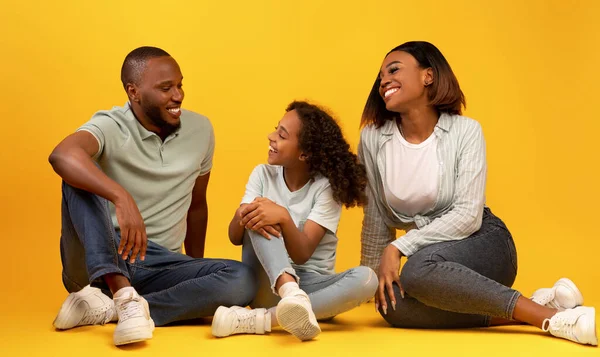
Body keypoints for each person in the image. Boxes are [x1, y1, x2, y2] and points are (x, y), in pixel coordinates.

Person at [358, 41, 597, 346]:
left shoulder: (465, 131)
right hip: (436, 265)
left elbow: (468, 215)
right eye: (380, 77)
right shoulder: (373, 138)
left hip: (483, 243)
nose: (383, 81)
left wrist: (398, 248)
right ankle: (537, 306)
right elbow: (376, 216)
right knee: (391, 306)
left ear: (428, 76)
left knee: (417, 270)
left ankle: (552, 320)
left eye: (394, 70)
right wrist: (369, 280)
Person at [49, 46, 256, 346]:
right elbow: (61, 155)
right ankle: (119, 291)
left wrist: (193, 270)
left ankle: (115, 308)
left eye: (180, 85)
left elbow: (197, 206)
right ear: (134, 92)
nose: (178, 95)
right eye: (165, 88)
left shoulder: (201, 130)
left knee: (242, 279)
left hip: (158, 264)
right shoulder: (111, 124)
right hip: (95, 257)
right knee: (78, 172)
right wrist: (121, 196)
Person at [211, 101, 378, 341]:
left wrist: (284, 217)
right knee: (260, 215)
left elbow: (302, 254)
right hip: (267, 283)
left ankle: (261, 319)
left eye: (281, 135)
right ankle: (289, 294)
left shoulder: (326, 188)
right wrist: (243, 215)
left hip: (312, 289)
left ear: (304, 153)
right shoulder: (262, 174)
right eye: (275, 129)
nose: (271, 137)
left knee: (368, 279)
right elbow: (235, 237)